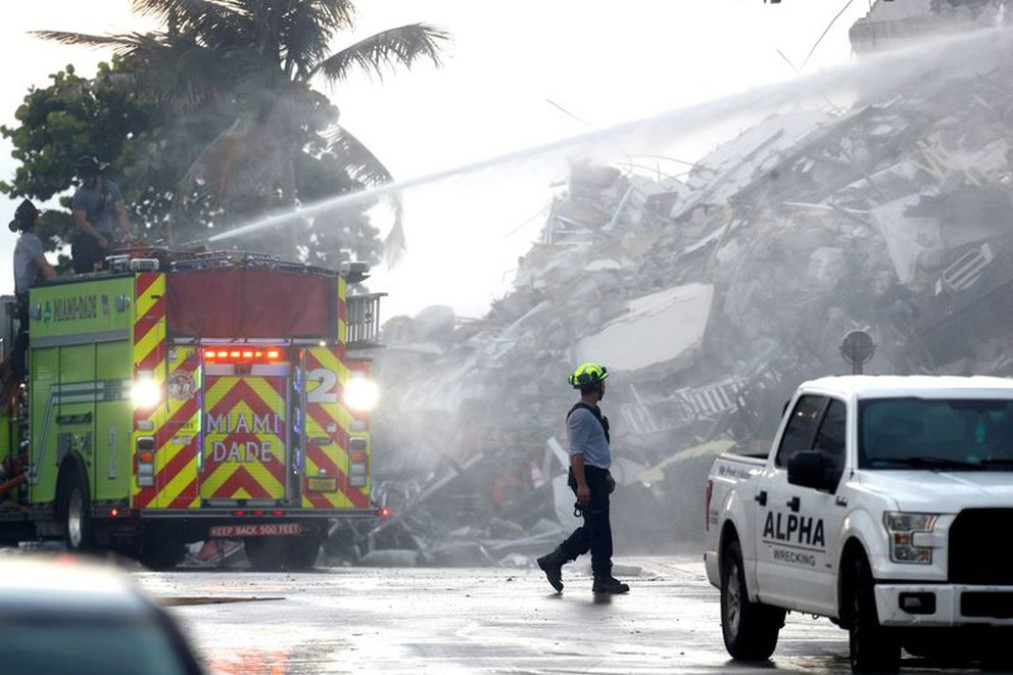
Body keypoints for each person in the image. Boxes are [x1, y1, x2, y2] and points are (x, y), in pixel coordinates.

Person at [537, 362, 630, 595]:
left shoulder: (592, 413)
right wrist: (582, 484)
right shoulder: (580, 416)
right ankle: (601, 578)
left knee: (595, 529)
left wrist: (605, 474)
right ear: (597, 386)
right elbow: (576, 454)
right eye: (602, 383)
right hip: (587, 476)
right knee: (599, 530)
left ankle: (554, 560)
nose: (604, 386)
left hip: (595, 475)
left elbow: (594, 450)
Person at [8, 199, 56, 378]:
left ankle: (17, 364)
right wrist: (62, 285)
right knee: (29, 331)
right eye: (38, 216)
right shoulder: (31, 241)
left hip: (23, 296)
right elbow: (45, 267)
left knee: (26, 330)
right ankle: (17, 365)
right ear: (34, 220)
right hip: (30, 297)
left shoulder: (23, 241)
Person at [70, 155, 131, 273]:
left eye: (89, 176)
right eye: (84, 177)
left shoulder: (111, 189)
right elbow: (81, 221)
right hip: (87, 240)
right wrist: (99, 237)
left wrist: (128, 233)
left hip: (107, 237)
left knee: (112, 269)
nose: (86, 180)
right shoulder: (80, 195)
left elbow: (121, 213)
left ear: (97, 174)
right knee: (85, 272)